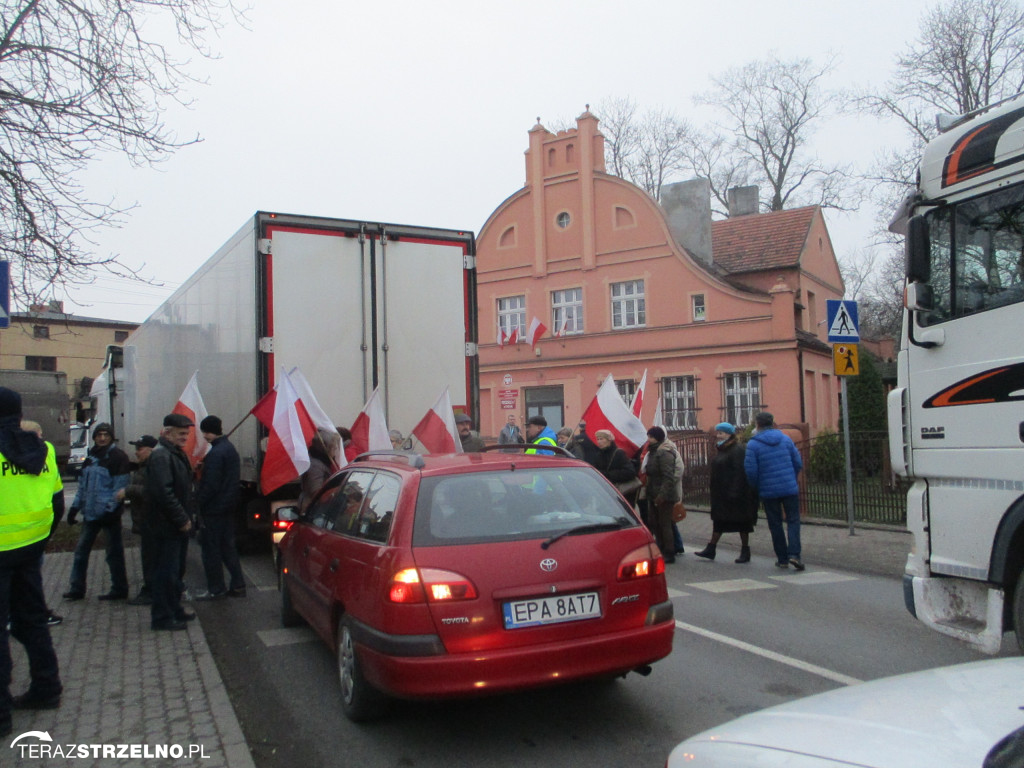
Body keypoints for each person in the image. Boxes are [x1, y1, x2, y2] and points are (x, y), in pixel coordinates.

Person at [0, 387, 63, 737]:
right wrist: (40, 540)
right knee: (31, 622)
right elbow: (57, 503)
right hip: (30, 550)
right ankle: (46, 688)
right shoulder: (44, 449)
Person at [63, 422, 131, 601]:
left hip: (109, 516)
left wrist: (110, 510)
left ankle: (119, 589)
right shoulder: (90, 457)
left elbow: (120, 488)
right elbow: (82, 487)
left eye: (105, 435)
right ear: (94, 438)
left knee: (113, 554)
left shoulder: (118, 457)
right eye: (99, 435)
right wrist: (74, 508)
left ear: (111, 437)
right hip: (90, 514)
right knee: (80, 553)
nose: (102, 438)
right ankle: (77, 589)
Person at [145, 414, 197, 630]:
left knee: (175, 572)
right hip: (166, 527)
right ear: (167, 432)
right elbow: (164, 493)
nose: (185, 437)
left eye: (186, 433)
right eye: (180, 433)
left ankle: (174, 609)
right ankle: (162, 617)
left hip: (173, 526)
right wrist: (182, 519)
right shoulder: (161, 456)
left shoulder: (173, 453)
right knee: (165, 573)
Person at [744, 412, 805, 570]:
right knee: (793, 521)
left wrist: (756, 486)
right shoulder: (785, 439)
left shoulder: (753, 444)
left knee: (775, 524)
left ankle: (782, 558)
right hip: (789, 487)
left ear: (757, 425)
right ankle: (795, 555)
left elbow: (751, 471)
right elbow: (798, 462)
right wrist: (792, 477)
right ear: (773, 423)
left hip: (768, 490)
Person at [195, 416, 246, 600]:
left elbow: (211, 485)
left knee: (211, 551)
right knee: (227, 548)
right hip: (227, 506)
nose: (204, 436)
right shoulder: (228, 449)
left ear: (209, 431)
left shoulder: (216, 453)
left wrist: (198, 501)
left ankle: (216, 588)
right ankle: (238, 584)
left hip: (214, 509)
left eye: (205, 432)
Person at [695, 423, 759, 564]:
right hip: (721, 494)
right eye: (718, 433)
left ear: (730, 434)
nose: (718, 436)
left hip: (736, 494)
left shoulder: (737, 450)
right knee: (719, 522)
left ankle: (745, 550)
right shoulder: (723, 450)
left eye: (722, 433)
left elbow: (739, 472)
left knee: (743, 524)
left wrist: (734, 492)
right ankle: (711, 548)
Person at [20, 421, 63, 626]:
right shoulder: (49, 453)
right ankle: (37, 614)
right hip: (36, 536)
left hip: (8, 540)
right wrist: (48, 532)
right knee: (32, 580)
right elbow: (58, 500)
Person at [121, 435, 158, 606]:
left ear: (151, 450)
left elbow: (153, 492)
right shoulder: (145, 467)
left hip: (151, 521)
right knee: (149, 557)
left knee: (151, 559)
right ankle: (150, 589)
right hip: (145, 520)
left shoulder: (154, 467)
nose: (136, 453)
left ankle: (151, 591)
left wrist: (129, 490)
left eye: (139, 449)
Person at [644, 426, 682, 563]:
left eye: (651, 437)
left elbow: (668, 477)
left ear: (657, 438)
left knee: (665, 524)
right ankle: (660, 547)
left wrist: (662, 496)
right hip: (654, 492)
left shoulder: (664, 453)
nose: (648, 439)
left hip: (664, 495)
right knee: (654, 522)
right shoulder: (653, 452)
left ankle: (669, 551)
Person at [300, 428, 340, 510]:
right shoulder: (315, 465)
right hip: (312, 508)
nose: (336, 449)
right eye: (333, 447)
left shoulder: (322, 461)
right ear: (325, 448)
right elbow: (316, 492)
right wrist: (338, 490)